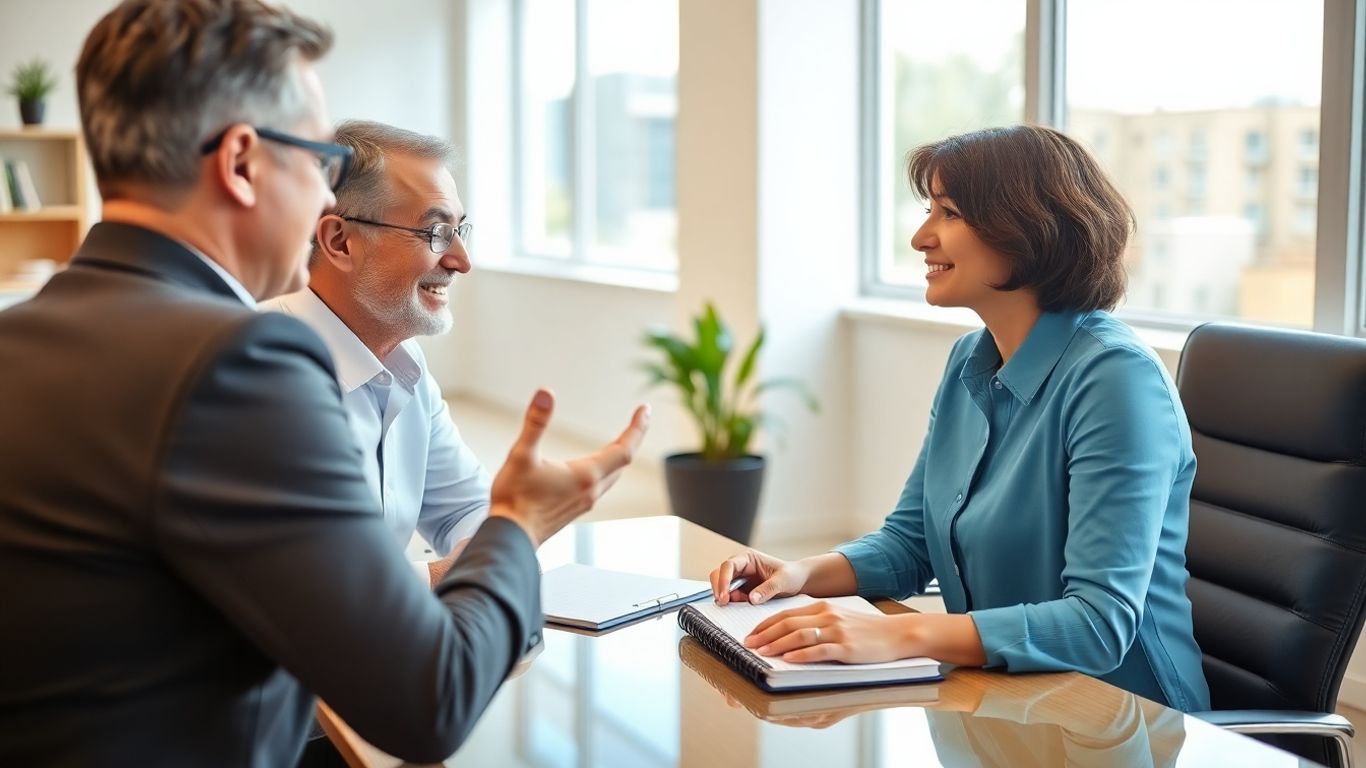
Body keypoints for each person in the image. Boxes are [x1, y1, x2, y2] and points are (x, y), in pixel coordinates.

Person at [0, 1, 647, 766]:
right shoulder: (238, 364)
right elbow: (427, 702)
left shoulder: (20, 337)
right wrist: (516, 522)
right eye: (314, 164)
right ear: (241, 162)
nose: (318, 200)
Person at [710, 125, 1210, 712]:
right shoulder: (969, 361)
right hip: (1003, 700)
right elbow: (912, 543)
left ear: (1027, 228)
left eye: (948, 213)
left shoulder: (1116, 379)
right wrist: (798, 575)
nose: (922, 237)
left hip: (1120, 718)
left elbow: (1097, 625)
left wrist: (897, 635)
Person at [261, 120, 490, 588]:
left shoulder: (405, 366)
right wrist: (446, 574)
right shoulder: (260, 372)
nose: (461, 260)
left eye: (460, 229)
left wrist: (493, 544)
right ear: (340, 242)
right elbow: (301, 583)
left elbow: (469, 508)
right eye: (436, 231)